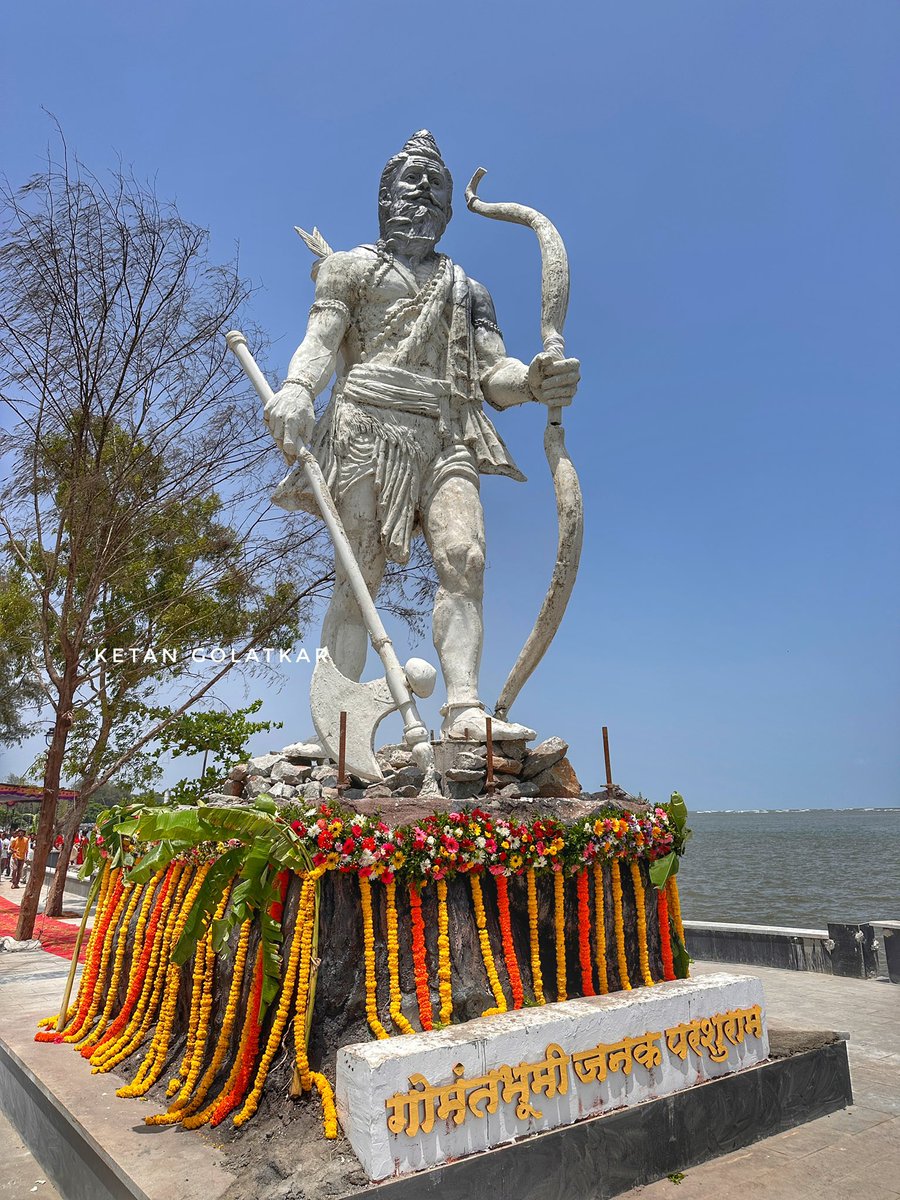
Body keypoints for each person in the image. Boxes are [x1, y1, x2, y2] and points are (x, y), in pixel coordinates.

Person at [265, 131, 580, 743]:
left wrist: (537, 381)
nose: (421, 194)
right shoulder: (348, 268)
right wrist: (299, 389)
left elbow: (494, 374)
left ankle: (464, 709)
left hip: (446, 431)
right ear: (383, 195)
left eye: (435, 186)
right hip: (365, 426)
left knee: (466, 558)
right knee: (359, 572)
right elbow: (321, 341)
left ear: (447, 209)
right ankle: (341, 727)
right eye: (409, 182)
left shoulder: (467, 288)